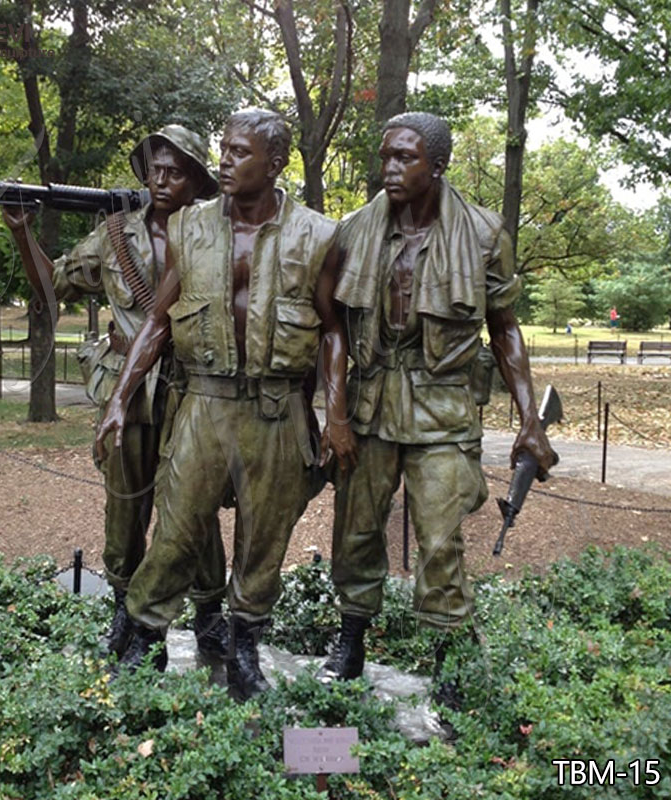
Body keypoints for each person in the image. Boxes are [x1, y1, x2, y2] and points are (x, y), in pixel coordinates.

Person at [95, 109, 356, 699]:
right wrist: (119, 399)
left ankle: (243, 650)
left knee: (264, 540)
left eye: (239, 152)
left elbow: (334, 330)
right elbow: (157, 324)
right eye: (224, 150)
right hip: (204, 403)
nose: (225, 162)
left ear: (274, 162)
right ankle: (144, 640)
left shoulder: (317, 235)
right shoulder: (190, 228)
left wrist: (334, 416)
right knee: (178, 527)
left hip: (277, 408)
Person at [318, 112, 557, 688]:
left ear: (437, 165)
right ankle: (349, 643)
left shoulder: (481, 234)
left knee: (440, 538)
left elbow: (504, 328)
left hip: (443, 407)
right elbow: (332, 328)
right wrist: (335, 413)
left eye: (405, 158)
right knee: (355, 529)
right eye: (386, 157)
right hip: (371, 402)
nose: (390, 170)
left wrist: (530, 419)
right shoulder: (352, 231)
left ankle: (449, 661)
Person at [1, 125, 230, 663]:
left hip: (192, 386)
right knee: (125, 504)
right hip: (128, 387)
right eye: (154, 168)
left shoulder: (212, 235)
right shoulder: (113, 236)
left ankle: (209, 615)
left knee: (194, 504)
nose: (161, 178)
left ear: (196, 179)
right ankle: (126, 612)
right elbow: (52, 284)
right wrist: (21, 233)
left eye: (174, 170)